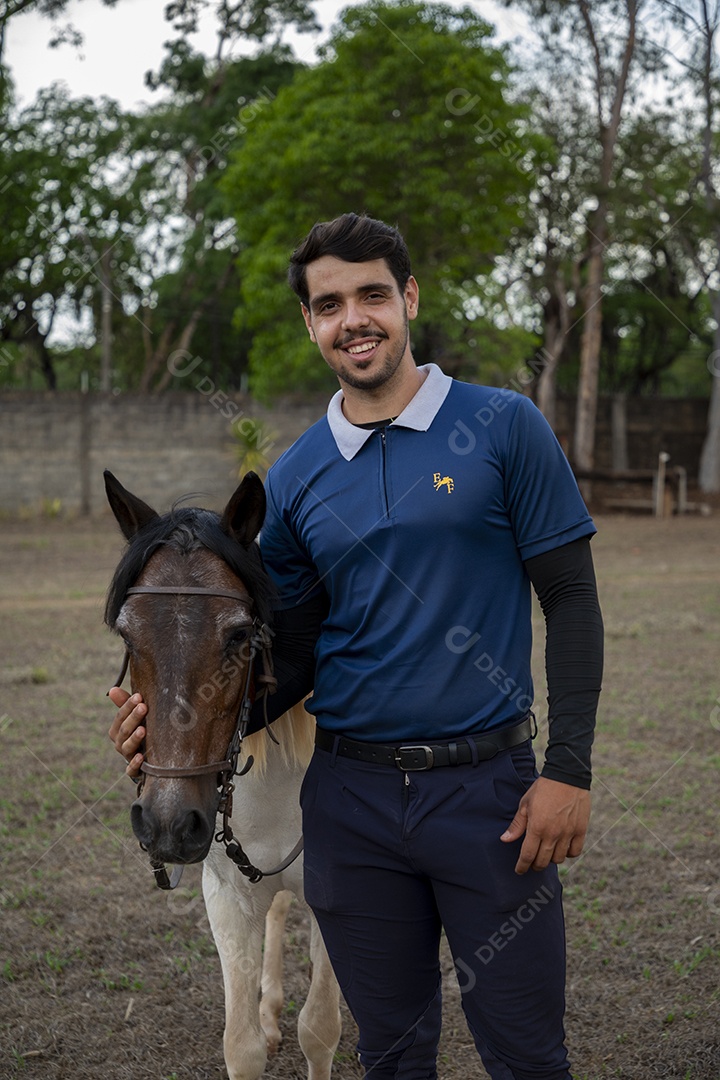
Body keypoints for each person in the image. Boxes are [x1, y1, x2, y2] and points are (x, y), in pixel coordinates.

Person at [109, 212, 603, 1080]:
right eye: (330, 303)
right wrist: (171, 740)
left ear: (409, 298)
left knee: (527, 1053)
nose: (355, 318)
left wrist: (568, 769)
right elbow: (288, 655)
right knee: (391, 1054)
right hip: (350, 805)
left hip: (489, 793)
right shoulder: (297, 474)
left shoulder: (503, 427)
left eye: (373, 294)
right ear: (311, 323)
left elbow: (570, 597)